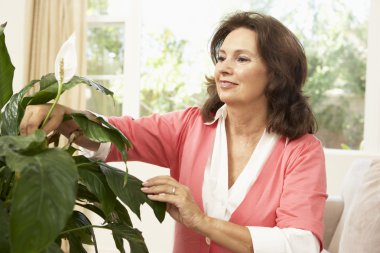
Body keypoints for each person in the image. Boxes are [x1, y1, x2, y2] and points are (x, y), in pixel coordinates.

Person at [20, 11, 327, 253]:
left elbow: (298, 244)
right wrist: (64, 115)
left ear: (276, 74)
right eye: (221, 57)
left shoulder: (301, 151)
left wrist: (201, 221)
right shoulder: (189, 126)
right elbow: (119, 134)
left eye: (241, 59)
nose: (223, 68)